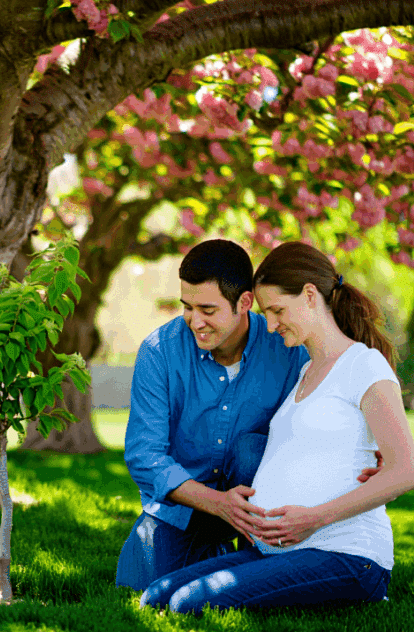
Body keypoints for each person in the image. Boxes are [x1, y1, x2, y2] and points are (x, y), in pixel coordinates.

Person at [138, 241, 414, 614]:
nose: (271, 326)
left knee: (187, 604)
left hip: (345, 553)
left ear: (310, 296)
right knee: (156, 595)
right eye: (266, 314)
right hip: (281, 550)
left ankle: (361, 591)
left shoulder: (363, 364)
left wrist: (313, 518)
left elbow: (407, 472)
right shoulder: (305, 371)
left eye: (277, 311)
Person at [116, 239, 316, 592]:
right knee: (139, 587)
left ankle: (255, 551)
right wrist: (219, 504)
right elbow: (144, 456)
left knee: (250, 450)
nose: (195, 321)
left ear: (245, 302)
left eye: (208, 309)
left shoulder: (286, 349)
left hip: (260, 501)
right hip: (184, 506)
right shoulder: (159, 352)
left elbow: (314, 426)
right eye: (187, 307)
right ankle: (217, 551)